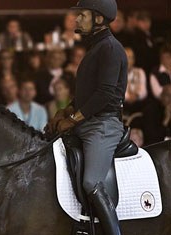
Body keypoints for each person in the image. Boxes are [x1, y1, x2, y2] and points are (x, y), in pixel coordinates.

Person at [45, 0, 127, 234]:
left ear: (99, 19)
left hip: (103, 125)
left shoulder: (111, 48)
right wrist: (66, 111)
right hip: (87, 122)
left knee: (91, 182)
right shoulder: (96, 48)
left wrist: (73, 119)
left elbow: (104, 94)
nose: (77, 19)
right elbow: (87, 93)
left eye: (82, 15)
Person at [123, 47, 147, 115]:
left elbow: (143, 91)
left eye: (130, 57)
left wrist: (136, 95)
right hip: (123, 103)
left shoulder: (140, 72)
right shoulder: (117, 74)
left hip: (138, 102)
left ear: (134, 60)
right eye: (126, 57)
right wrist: (128, 97)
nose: (128, 60)